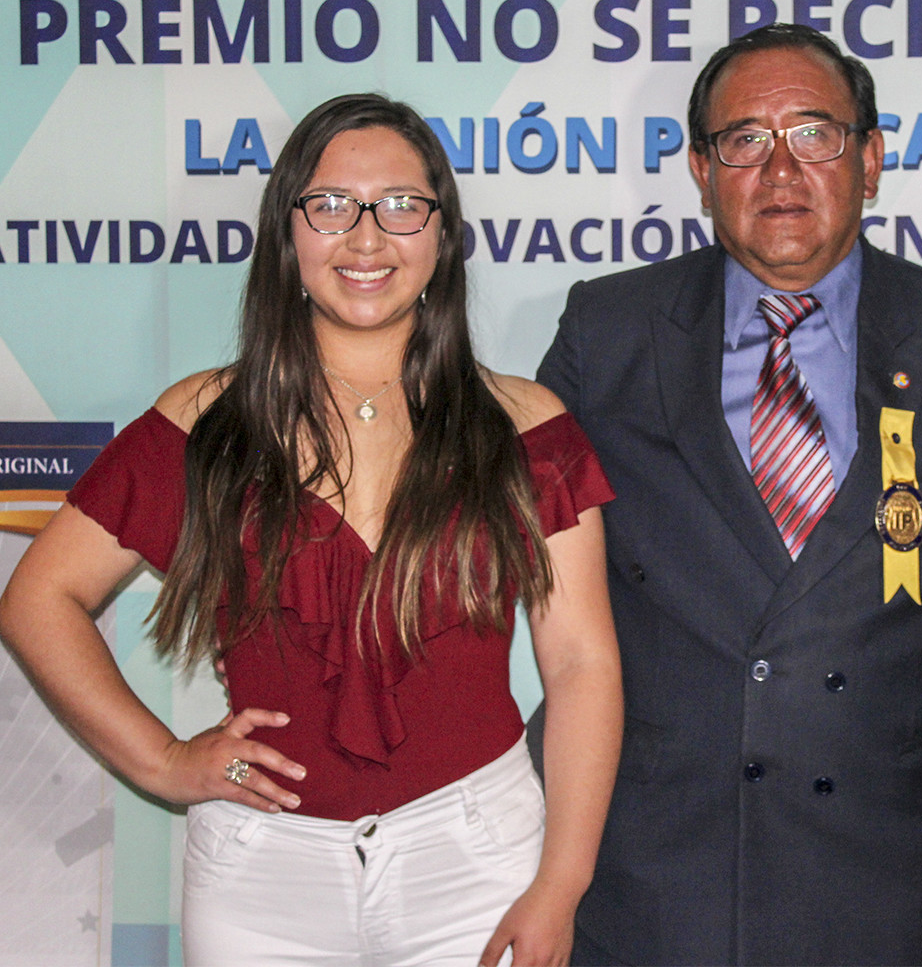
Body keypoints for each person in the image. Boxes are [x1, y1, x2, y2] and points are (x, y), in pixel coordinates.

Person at [0, 93, 623, 966]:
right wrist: (164, 761)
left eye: (401, 205)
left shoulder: (527, 426)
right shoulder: (204, 422)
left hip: (479, 865)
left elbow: (583, 663)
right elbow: (39, 598)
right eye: (331, 205)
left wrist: (562, 882)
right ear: (287, 233)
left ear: (442, 235)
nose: (366, 237)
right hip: (260, 877)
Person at [534, 23, 922, 966]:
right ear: (701, 170)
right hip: (662, 872)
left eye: (815, 135)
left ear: (871, 159)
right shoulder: (608, 332)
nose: (780, 170)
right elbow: (507, 571)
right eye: (745, 140)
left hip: (894, 875)